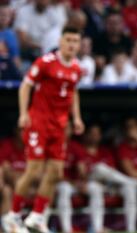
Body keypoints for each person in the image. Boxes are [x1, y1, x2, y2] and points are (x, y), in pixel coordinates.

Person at [2, 25, 84, 233]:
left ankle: (36, 217)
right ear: (60, 42)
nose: (72, 45)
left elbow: (73, 92)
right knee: (34, 170)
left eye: (75, 41)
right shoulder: (46, 63)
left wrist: (76, 118)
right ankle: (12, 217)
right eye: (68, 40)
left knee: (56, 172)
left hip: (59, 126)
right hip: (39, 122)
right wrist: (23, 113)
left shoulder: (76, 68)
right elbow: (26, 85)